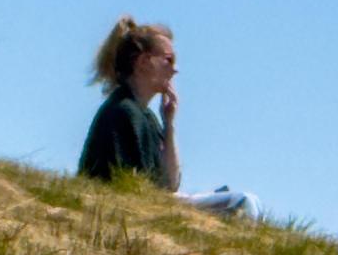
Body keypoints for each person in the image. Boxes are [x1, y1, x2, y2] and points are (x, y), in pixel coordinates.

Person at [76, 19, 251, 219]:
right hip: (117, 212)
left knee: (240, 203)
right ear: (143, 62)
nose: (174, 70)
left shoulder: (147, 117)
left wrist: (169, 125)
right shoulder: (123, 112)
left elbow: (170, 183)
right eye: (169, 60)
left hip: (148, 207)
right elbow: (136, 192)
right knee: (243, 202)